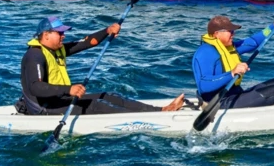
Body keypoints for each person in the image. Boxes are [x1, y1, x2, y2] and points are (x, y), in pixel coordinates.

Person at [15, 16, 184, 115]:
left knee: (108, 96)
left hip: (59, 100)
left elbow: (86, 43)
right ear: (45, 35)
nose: (63, 36)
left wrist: (107, 31)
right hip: (44, 108)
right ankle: (152, 118)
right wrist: (69, 90)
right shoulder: (34, 55)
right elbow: (35, 87)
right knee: (97, 105)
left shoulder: (56, 50)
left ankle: (160, 111)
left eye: (64, 33)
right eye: (59, 33)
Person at [193, 13, 274, 109]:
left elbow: (253, 42)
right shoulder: (206, 52)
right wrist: (232, 73)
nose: (233, 34)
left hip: (234, 95)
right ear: (216, 34)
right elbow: (204, 86)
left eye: (233, 31)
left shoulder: (227, 47)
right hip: (218, 103)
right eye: (230, 31)